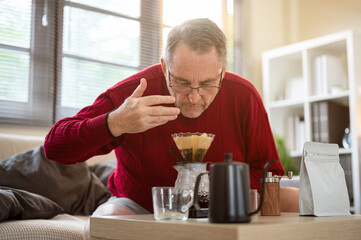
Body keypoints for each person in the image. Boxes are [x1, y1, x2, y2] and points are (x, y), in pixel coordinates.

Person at [44, 18, 288, 239]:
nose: (194, 97)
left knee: (296, 201)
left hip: (226, 207)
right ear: (164, 67)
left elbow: (271, 173)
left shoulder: (244, 95)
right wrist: (116, 122)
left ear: (222, 72)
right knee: (99, 228)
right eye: (181, 82)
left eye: (207, 84)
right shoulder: (133, 93)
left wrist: (221, 195)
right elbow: (54, 147)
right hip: (138, 206)